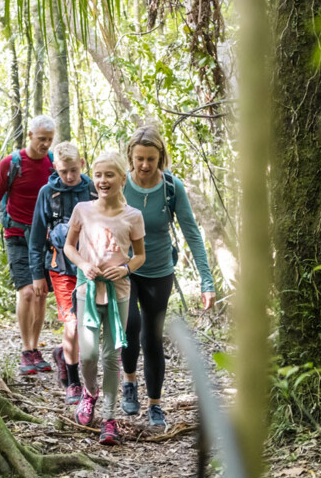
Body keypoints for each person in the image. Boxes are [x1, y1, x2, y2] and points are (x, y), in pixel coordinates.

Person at [119, 125, 216, 433]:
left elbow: (192, 234)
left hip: (159, 270)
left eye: (151, 159)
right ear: (130, 157)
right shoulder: (119, 184)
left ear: (160, 158)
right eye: (139, 159)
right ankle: (129, 382)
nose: (145, 165)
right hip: (124, 269)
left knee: (152, 337)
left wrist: (206, 280)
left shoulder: (171, 188)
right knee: (130, 325)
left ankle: (155, 404)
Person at [64, 151, 146, 446]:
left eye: (109, 175)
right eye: (98, 175)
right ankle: (89, 393)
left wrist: (124, 269)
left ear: (123, 179)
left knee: (112, 357)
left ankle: (109, 418)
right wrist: (83, 264)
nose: (102, 181)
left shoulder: (132, 216)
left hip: (119, 295)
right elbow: (69, 247)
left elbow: (140, 256)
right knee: (88, 355)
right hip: (87, 290)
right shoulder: (82, 210)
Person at [0, 115, 56, 375]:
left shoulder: (53, 164)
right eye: (41, 139)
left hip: (44, 238)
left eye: (49, 140)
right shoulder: (11, 164)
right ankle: (25, 350)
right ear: (30, 136)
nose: (45, 144)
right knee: (27, 292)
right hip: (17, 235)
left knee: (41, 293)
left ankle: (35, 349)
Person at [28, 142, 96, 404]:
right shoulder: (47, 193)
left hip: (90, 268)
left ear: (82, 163)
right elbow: (36, 238)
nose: (69, 176)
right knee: (72, 324)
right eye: (64, 170)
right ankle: (73, 383)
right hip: (60, 269)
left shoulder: (92, 188)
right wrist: (37, 275)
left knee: (88, 325)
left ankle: (64, 355)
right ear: (55, 167)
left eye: (73, 170)